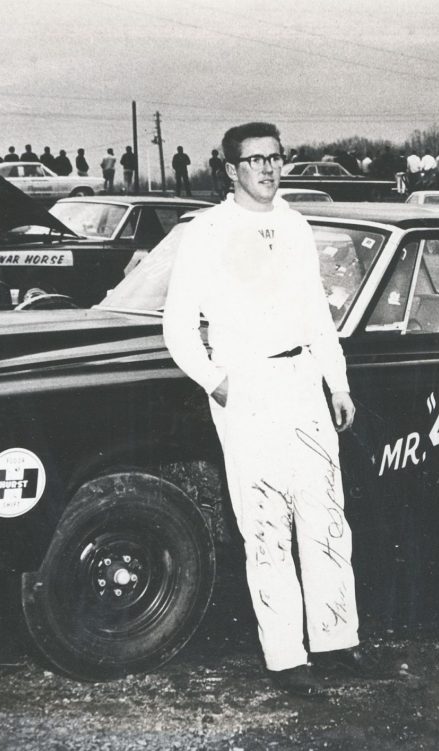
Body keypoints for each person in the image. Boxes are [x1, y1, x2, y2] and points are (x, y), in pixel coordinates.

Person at [163, 121, 378, 697]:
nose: (267, 168)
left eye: (275, 158)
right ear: (231, 170)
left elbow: (317, 316)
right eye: (254, 160)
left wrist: (337, 383)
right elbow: (178, 325)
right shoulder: (207, 232)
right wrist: (219, 383)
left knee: (326, 518)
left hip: (304, 381)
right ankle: (286, 657)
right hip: (248, 387)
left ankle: (337, 642)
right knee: (265, 527)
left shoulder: (297, 225)